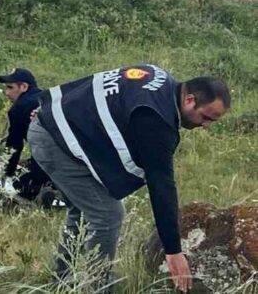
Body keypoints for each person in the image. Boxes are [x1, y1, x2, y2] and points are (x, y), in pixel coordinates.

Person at [27, 66, 231, 292]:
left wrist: (45, 109)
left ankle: (62, 281)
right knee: (107, 214)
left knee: (84, 210)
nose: (206, 125)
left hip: (57, 129)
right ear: (190, 99)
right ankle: (98, 287)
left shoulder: (158, 76)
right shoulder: (157, 119)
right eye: (205, 117)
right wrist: (173, 251)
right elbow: (161, 184)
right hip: (55, 142)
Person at [0, 68, 51, 201]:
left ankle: (44, 195)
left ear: (24, 87)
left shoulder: (19, 108)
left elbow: (14, 145)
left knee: (21, 186)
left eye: (10, 88)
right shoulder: (48, 97)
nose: (7, 93)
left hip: (49, 160)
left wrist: (8, 174)